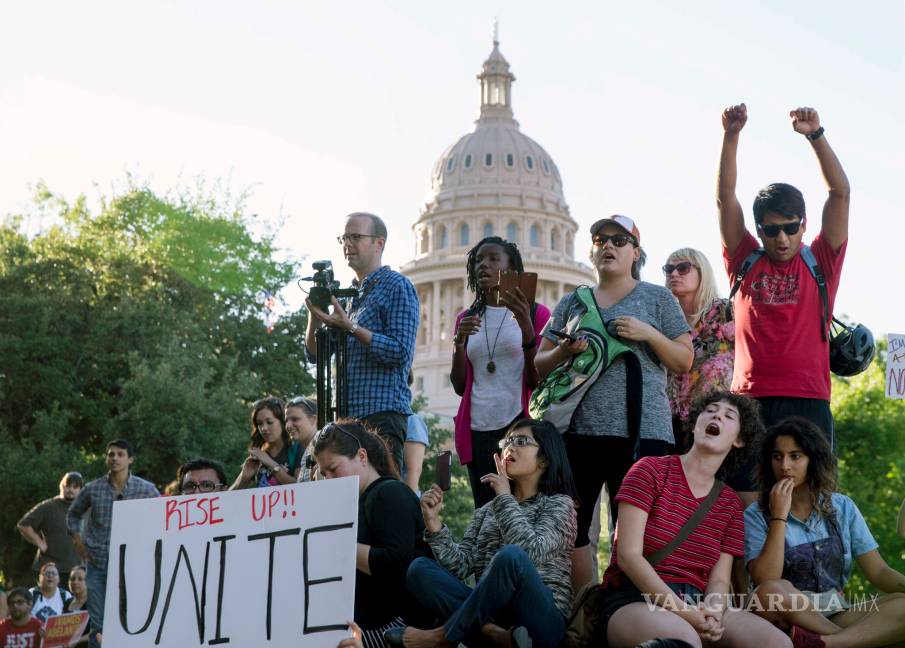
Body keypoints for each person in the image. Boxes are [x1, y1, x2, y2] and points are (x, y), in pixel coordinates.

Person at [535, 215, 692, 588]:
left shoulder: (657, 298)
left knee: (640, 534)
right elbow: (538, 365)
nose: (607, 245)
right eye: (600, 239)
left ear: (636, 252)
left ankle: (630, 610)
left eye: (619, 240)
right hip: (580, 433)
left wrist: (648, 333)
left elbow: (684, 360)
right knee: (572, 531)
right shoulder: (574, 301)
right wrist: (564, 351)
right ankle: (585, 613)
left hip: (644, 434)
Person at [717, 104, 850, 506]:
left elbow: (840, 192)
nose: (781, 238)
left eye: (790, 228)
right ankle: (744, 573)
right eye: (771, 229)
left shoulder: (820, 260)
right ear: (759, 230)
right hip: (750, 399)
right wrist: (731, 135)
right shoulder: (744, 260)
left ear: (803, 224)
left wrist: (815, 135)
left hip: (808, 398)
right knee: (743, 506)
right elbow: (725, 198)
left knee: (808, 505)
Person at [598, 390, 790, 647]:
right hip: (634, 598)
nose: (717, 416)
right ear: (696, 423)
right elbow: (629, 556)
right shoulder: (649, 470)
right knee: (685, 640)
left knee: (776, 643)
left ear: (739, 440)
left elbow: (720, 579)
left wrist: (712, 612)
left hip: (697, 601)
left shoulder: (730, 503)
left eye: (728, 416)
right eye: (710, 411)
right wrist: (686, 613)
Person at [388, 419, 578, 648]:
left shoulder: (559, 505)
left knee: (512, 557)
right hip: (493, 615)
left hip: (541, 621)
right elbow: (461, 566)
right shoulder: (488, 510)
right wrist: (434, 524)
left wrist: (505, 499)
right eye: (506, 442)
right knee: (420, 569)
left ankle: (442, 637)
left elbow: (530, 552)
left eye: (521, 441)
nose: (510, 448)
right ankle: (494, 634)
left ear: (545, 459)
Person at [745, 417, 905, 648]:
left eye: (795, 456)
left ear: (814, 460)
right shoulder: (756, 514)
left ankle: (826, 643)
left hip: (835, 610)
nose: (784, 466)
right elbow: (765, 579)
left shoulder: (842, 507)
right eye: (777, 456)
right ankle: (849, 640)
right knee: (771, 590)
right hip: (783, 615)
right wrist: (779, 515)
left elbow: (878, 572)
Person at [305, 212, 420, 470]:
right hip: (346, 419)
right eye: (344, 238)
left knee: (380, 497)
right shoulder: (347, 296)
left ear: (379, 243)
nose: (348, 244)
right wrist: (315, 314)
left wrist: (351, 327)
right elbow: (314, 355)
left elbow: (400, 353)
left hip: (381, 416)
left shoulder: (397, 286)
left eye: (356, 237)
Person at [451, 236, 551, 509]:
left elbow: (537, 379)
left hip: (518, 424)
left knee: (522, 507)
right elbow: (460, 386)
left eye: (494, 259)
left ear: (510, 269)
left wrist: (527, 327)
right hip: (477, 428)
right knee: (485, 512)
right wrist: (458, 343)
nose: (484, 265)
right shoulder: (465, 318)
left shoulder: (537, 313)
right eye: (479, 260)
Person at [313, 419, 427, 646]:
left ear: (362, 457)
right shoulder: (360, 501)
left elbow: (396, 563)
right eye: (324, 474)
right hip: (369, 625)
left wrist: (338, 544)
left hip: (397, 628)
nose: (329, 479)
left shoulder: (388, 493)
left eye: (334, 469)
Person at [66, 439, 160, 648]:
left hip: (132, 566)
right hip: (98, 563)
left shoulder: (146, 489)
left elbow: (163, 515)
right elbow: (73, 513)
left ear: (130, 459)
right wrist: (78, 541)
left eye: (120, 454)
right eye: (111, 454)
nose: (114, 458)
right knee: (98, 624)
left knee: (132, 618)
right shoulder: (93, 488)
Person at [663, 248, 734, 439]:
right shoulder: (664, 322)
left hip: (714, 421)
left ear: (702, 273)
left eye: (683, 268)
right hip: (671, 424)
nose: (674, 274)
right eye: (669, 269)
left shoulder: (726, 312)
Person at [17, 471, 85, 589]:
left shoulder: (85, 508)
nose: (70, 489)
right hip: (51, 569)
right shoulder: (49, 506)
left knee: (74, 606)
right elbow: (24, 525)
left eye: (75, 487)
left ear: (80, 490)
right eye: (67, 486)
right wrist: (39, 543)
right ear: (61, 486)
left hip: (76, 570)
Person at [230, 397, 302, 489]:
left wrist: (270, 463)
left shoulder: (296, 447)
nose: (264, 428)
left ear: (283, 422)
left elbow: (301, 486)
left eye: (269, 422)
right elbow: (227, 499)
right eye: (260, 423)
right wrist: (244, 478)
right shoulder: (259, 455)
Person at [284, 396, 319, 482]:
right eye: (286, 421)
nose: (288, 426)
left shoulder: (323, 448)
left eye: (295, 419)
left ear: (313, 419)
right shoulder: (308, 451)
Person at [64, 565, 90, 646]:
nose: (75, 582)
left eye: (80, 579)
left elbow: (98, 631)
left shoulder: (94, 603)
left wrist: (77, 641)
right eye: (72, 579)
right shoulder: (67, 602)